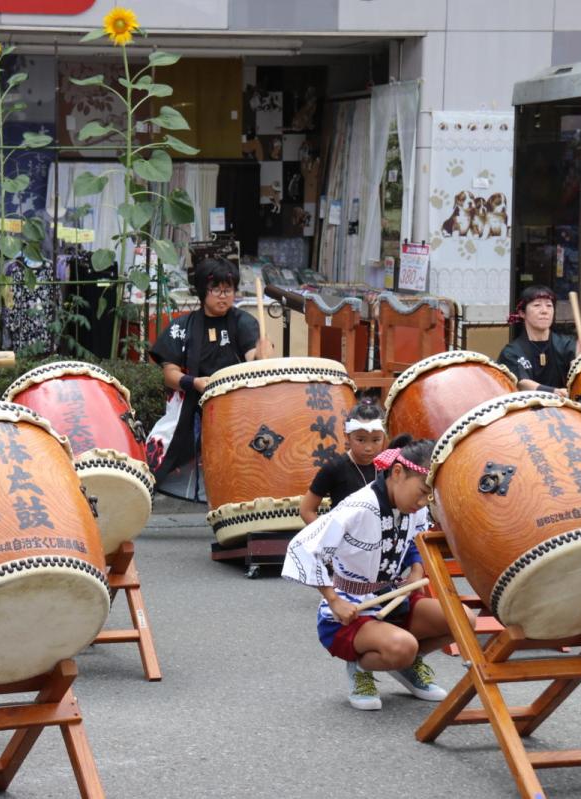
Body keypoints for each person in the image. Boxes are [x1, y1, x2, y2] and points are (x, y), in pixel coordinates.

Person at [283, 436, 457, 711]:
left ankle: (404, 665)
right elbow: (303, 547)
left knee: (461, 621)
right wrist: (333, 600)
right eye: (422, 491)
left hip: (395, 600)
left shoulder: (413, 507)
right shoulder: (358, 508)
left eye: (429, 496)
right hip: (350, 607)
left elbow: (414, 539)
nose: (424, 502)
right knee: (403, 646)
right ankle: (361, 668)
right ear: (397, 472)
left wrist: (416, 570)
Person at [146, 257, 273, 499]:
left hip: (236, 407)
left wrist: (262, 353)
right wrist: (193, 382)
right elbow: (169, 373)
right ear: (203, 291)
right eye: (216, 290)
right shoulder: (183, 326)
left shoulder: (242, 321)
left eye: (228, 290)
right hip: (194, 403)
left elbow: (253, 358)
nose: (223, 296)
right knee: (165, 451)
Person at [298, 401, 387, 524]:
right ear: (347, 436)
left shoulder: (386, 467)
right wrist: (327, 537)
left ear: (384, 437)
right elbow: (306, 510)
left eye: (376, 440)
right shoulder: (334, 468)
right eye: (361, 440)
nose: (368, 447)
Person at [498, 285, 581, 397]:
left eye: (549, 305)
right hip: (527, 410)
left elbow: (579, 379)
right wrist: (554, 392)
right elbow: (522, 383)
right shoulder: (512, 352)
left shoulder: (566, 344)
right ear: (522, 313)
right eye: (537, 305)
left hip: (565, 409)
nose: (544, 311)